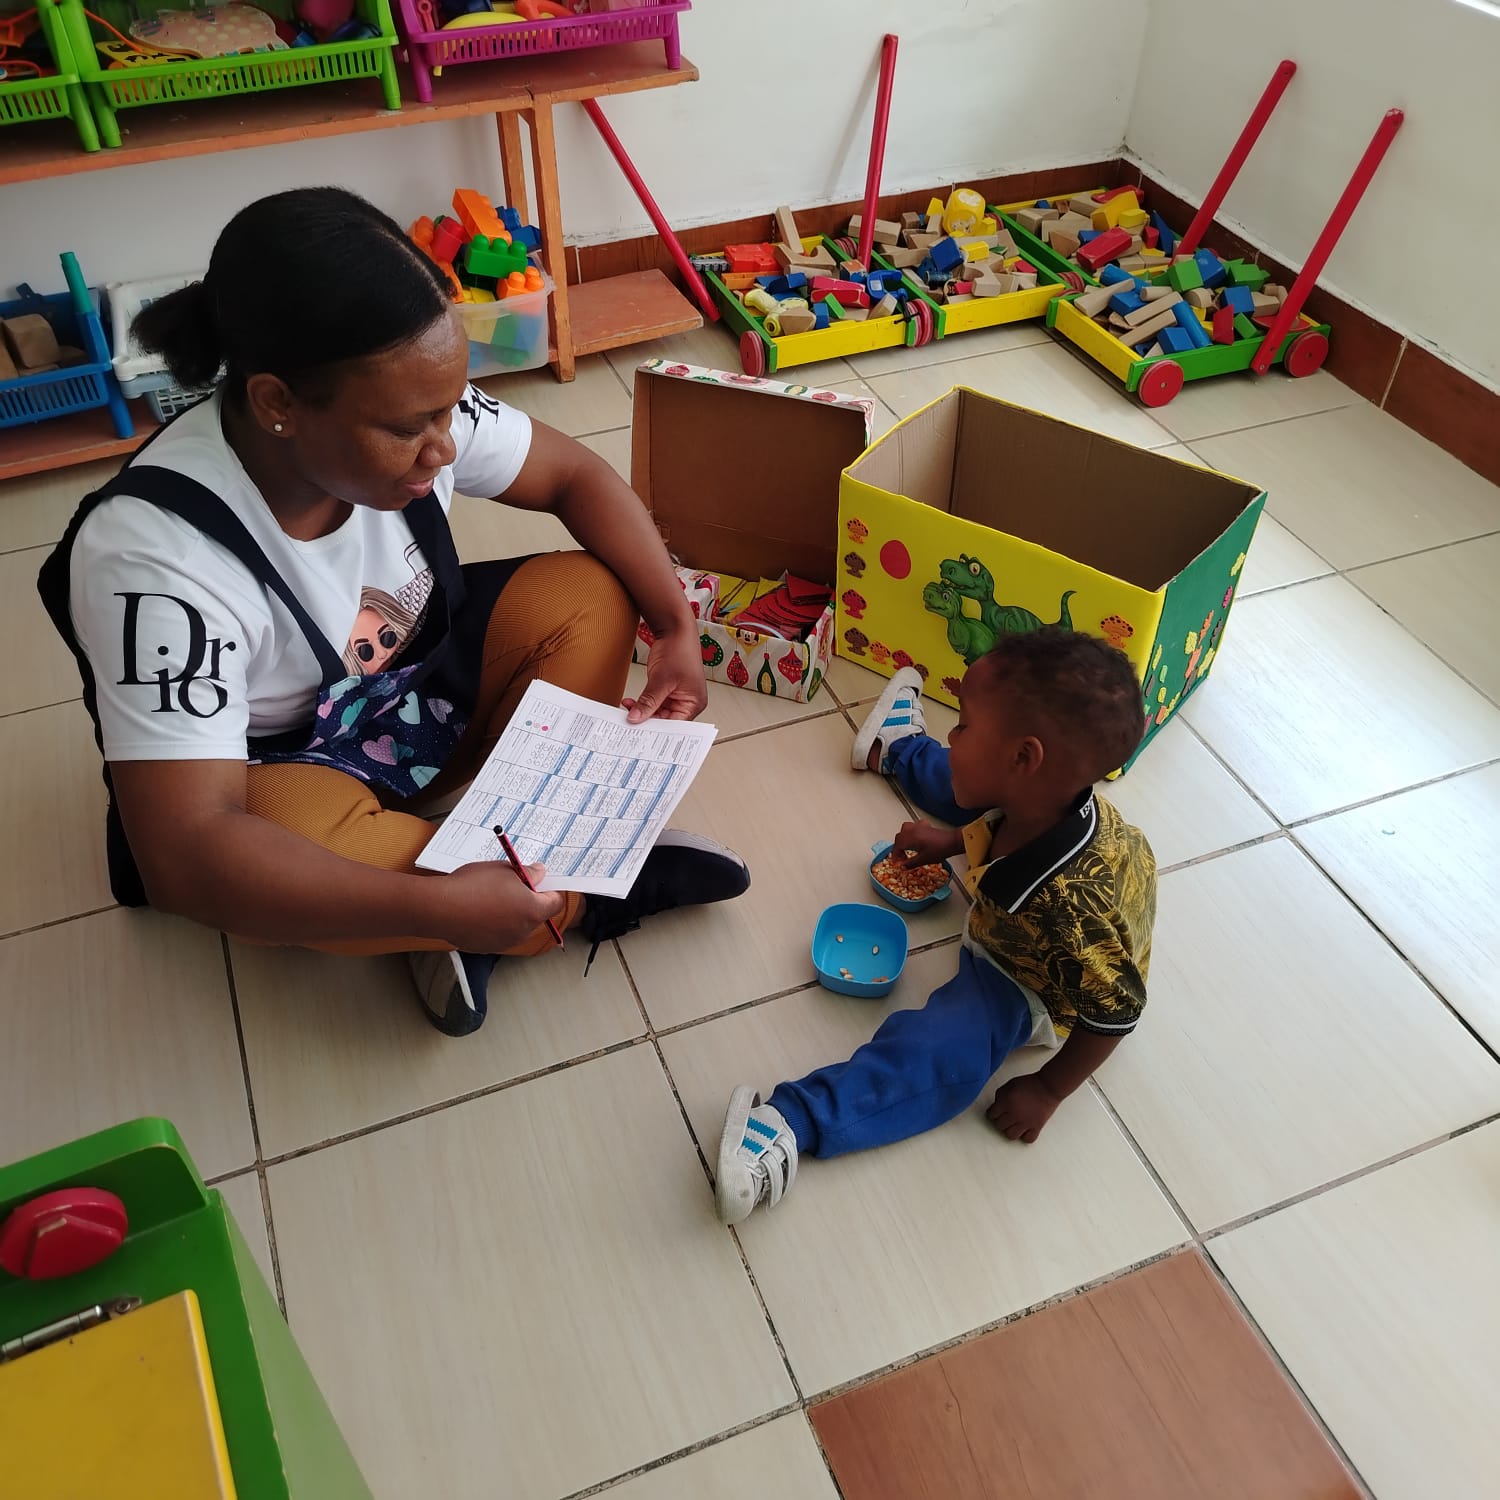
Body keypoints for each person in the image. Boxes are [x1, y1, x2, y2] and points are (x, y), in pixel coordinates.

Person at [37, 187, 750, 1038]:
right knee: (274, 846)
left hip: (414, 689)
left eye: (451, 408)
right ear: (277, 404)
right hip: (289, 766)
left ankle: (488, 886)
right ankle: (564, 898)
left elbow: (573, 476)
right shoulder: (156, 561)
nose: (444, 447)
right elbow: (187, 855)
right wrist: (439, 908)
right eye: (411, 428)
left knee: (593, 594)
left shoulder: (410, 406)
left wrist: (674, 627)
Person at [714, 633, 1156, 1226]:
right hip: (1021, 873)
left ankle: (796, 1122)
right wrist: (951, 842)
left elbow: (1119, 1011)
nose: (956, 733)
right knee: (966, 783)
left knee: (944, 1049)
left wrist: (1048, 1090)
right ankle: (896, 747)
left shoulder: (1069, 911)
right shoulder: (1047, 798)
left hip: (1028, 985)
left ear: (1025, 757)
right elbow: (998, 816)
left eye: (964, 725)